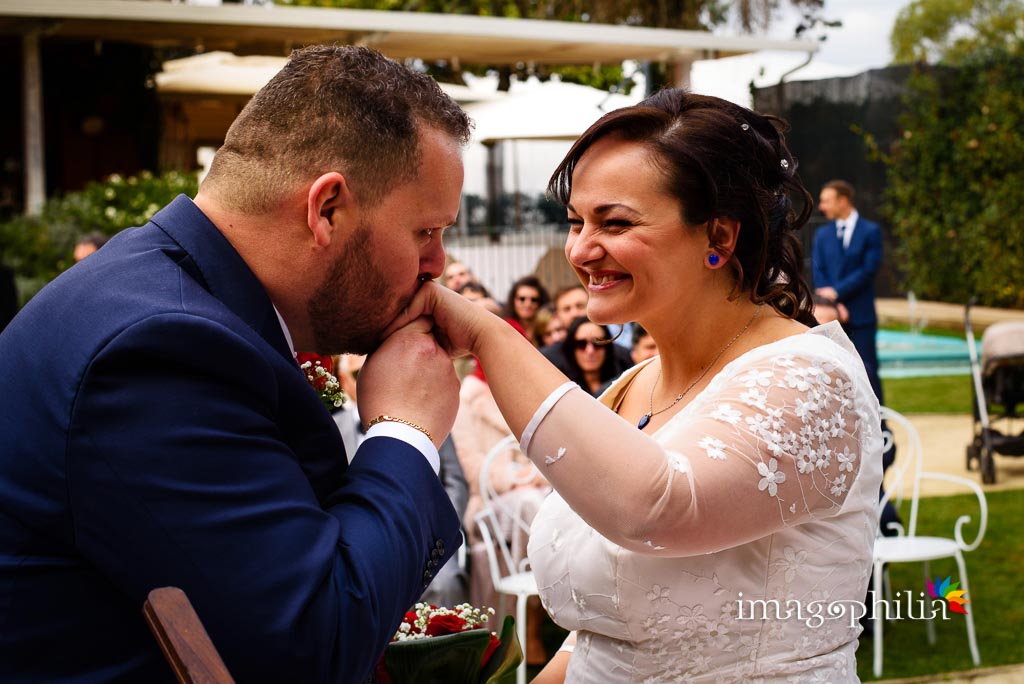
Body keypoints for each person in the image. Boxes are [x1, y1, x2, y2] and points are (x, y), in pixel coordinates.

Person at [0, 45, 470, 682]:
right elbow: (312, 649)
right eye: (426, 232)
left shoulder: (164, 296)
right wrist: (406, 432)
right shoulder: (159, 352)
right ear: (327, 209)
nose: (437, 265)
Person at [386, 90, 883, 682]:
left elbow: (662, 508)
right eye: (575, 222)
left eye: (614, 222)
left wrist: (487, 335)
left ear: (720, 237)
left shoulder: (809, 379)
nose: (580, 250)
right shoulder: (630, 386)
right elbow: (605, 631)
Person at [813, 179, 884, 401]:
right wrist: (832, 305)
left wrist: (837, 293)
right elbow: (818, 269)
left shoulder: (871, 231)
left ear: (843, 201)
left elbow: (868, 270)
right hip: (830, 318)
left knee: (867, 371)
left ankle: (879, 421)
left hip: (861, 317)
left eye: (826, 201)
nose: (821, 207)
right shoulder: (822, 235)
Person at [561, 316, 625, 396]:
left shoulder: (624, 381)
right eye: (581, 344)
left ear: (607, 347)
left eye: (598, 343)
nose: (590, 351)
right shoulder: (562, 387)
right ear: (571, 348)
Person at [502, 275, 550, 346]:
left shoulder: (548, 328)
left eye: (534, 300)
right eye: (522, 299)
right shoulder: (505, 327)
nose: (528, 304)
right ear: (513, 301)